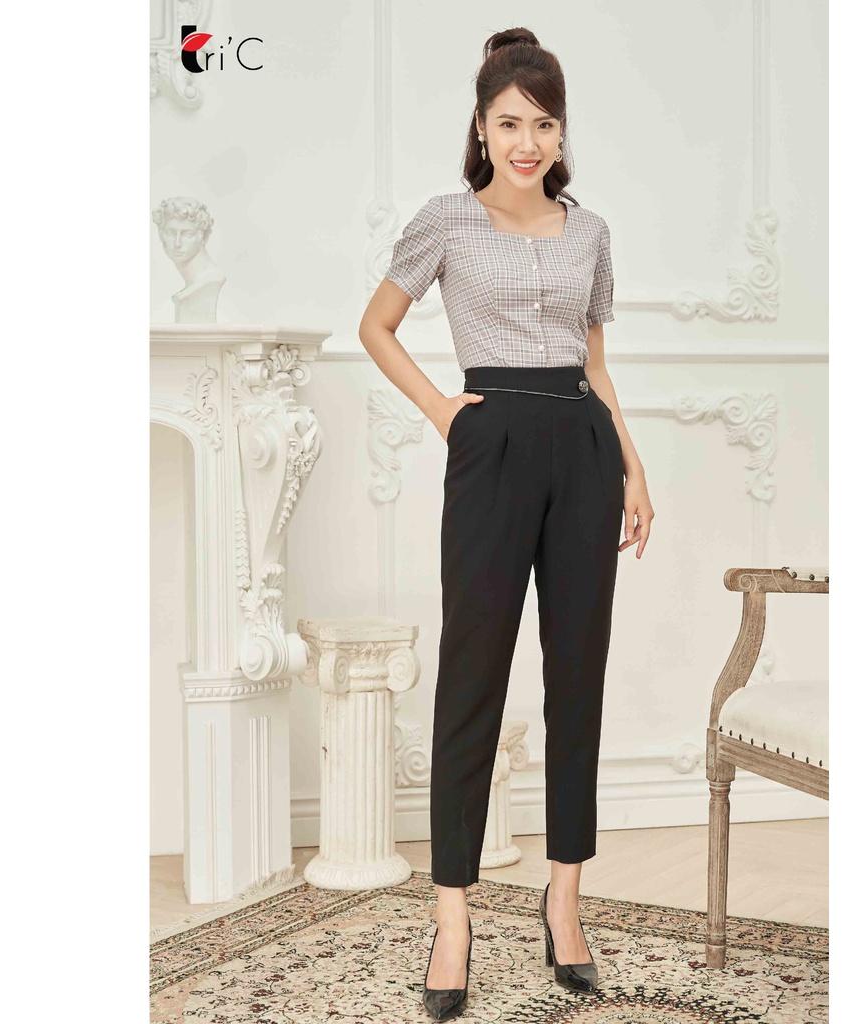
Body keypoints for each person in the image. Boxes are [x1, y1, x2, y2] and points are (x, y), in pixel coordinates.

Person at [358, 26, 655, 1020]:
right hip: (489, 448)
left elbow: (595, 362)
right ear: (481, 128)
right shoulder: (446, 220)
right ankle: (453, 915)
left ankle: (563, 899)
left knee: (578, 676)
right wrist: (444, 412)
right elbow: (376, 326)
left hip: (582, 447)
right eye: (510, 122)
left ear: (561, 133)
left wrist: (632, 465)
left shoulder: (590, 231)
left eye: (544, 124)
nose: (528, 142)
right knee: (471, 675)